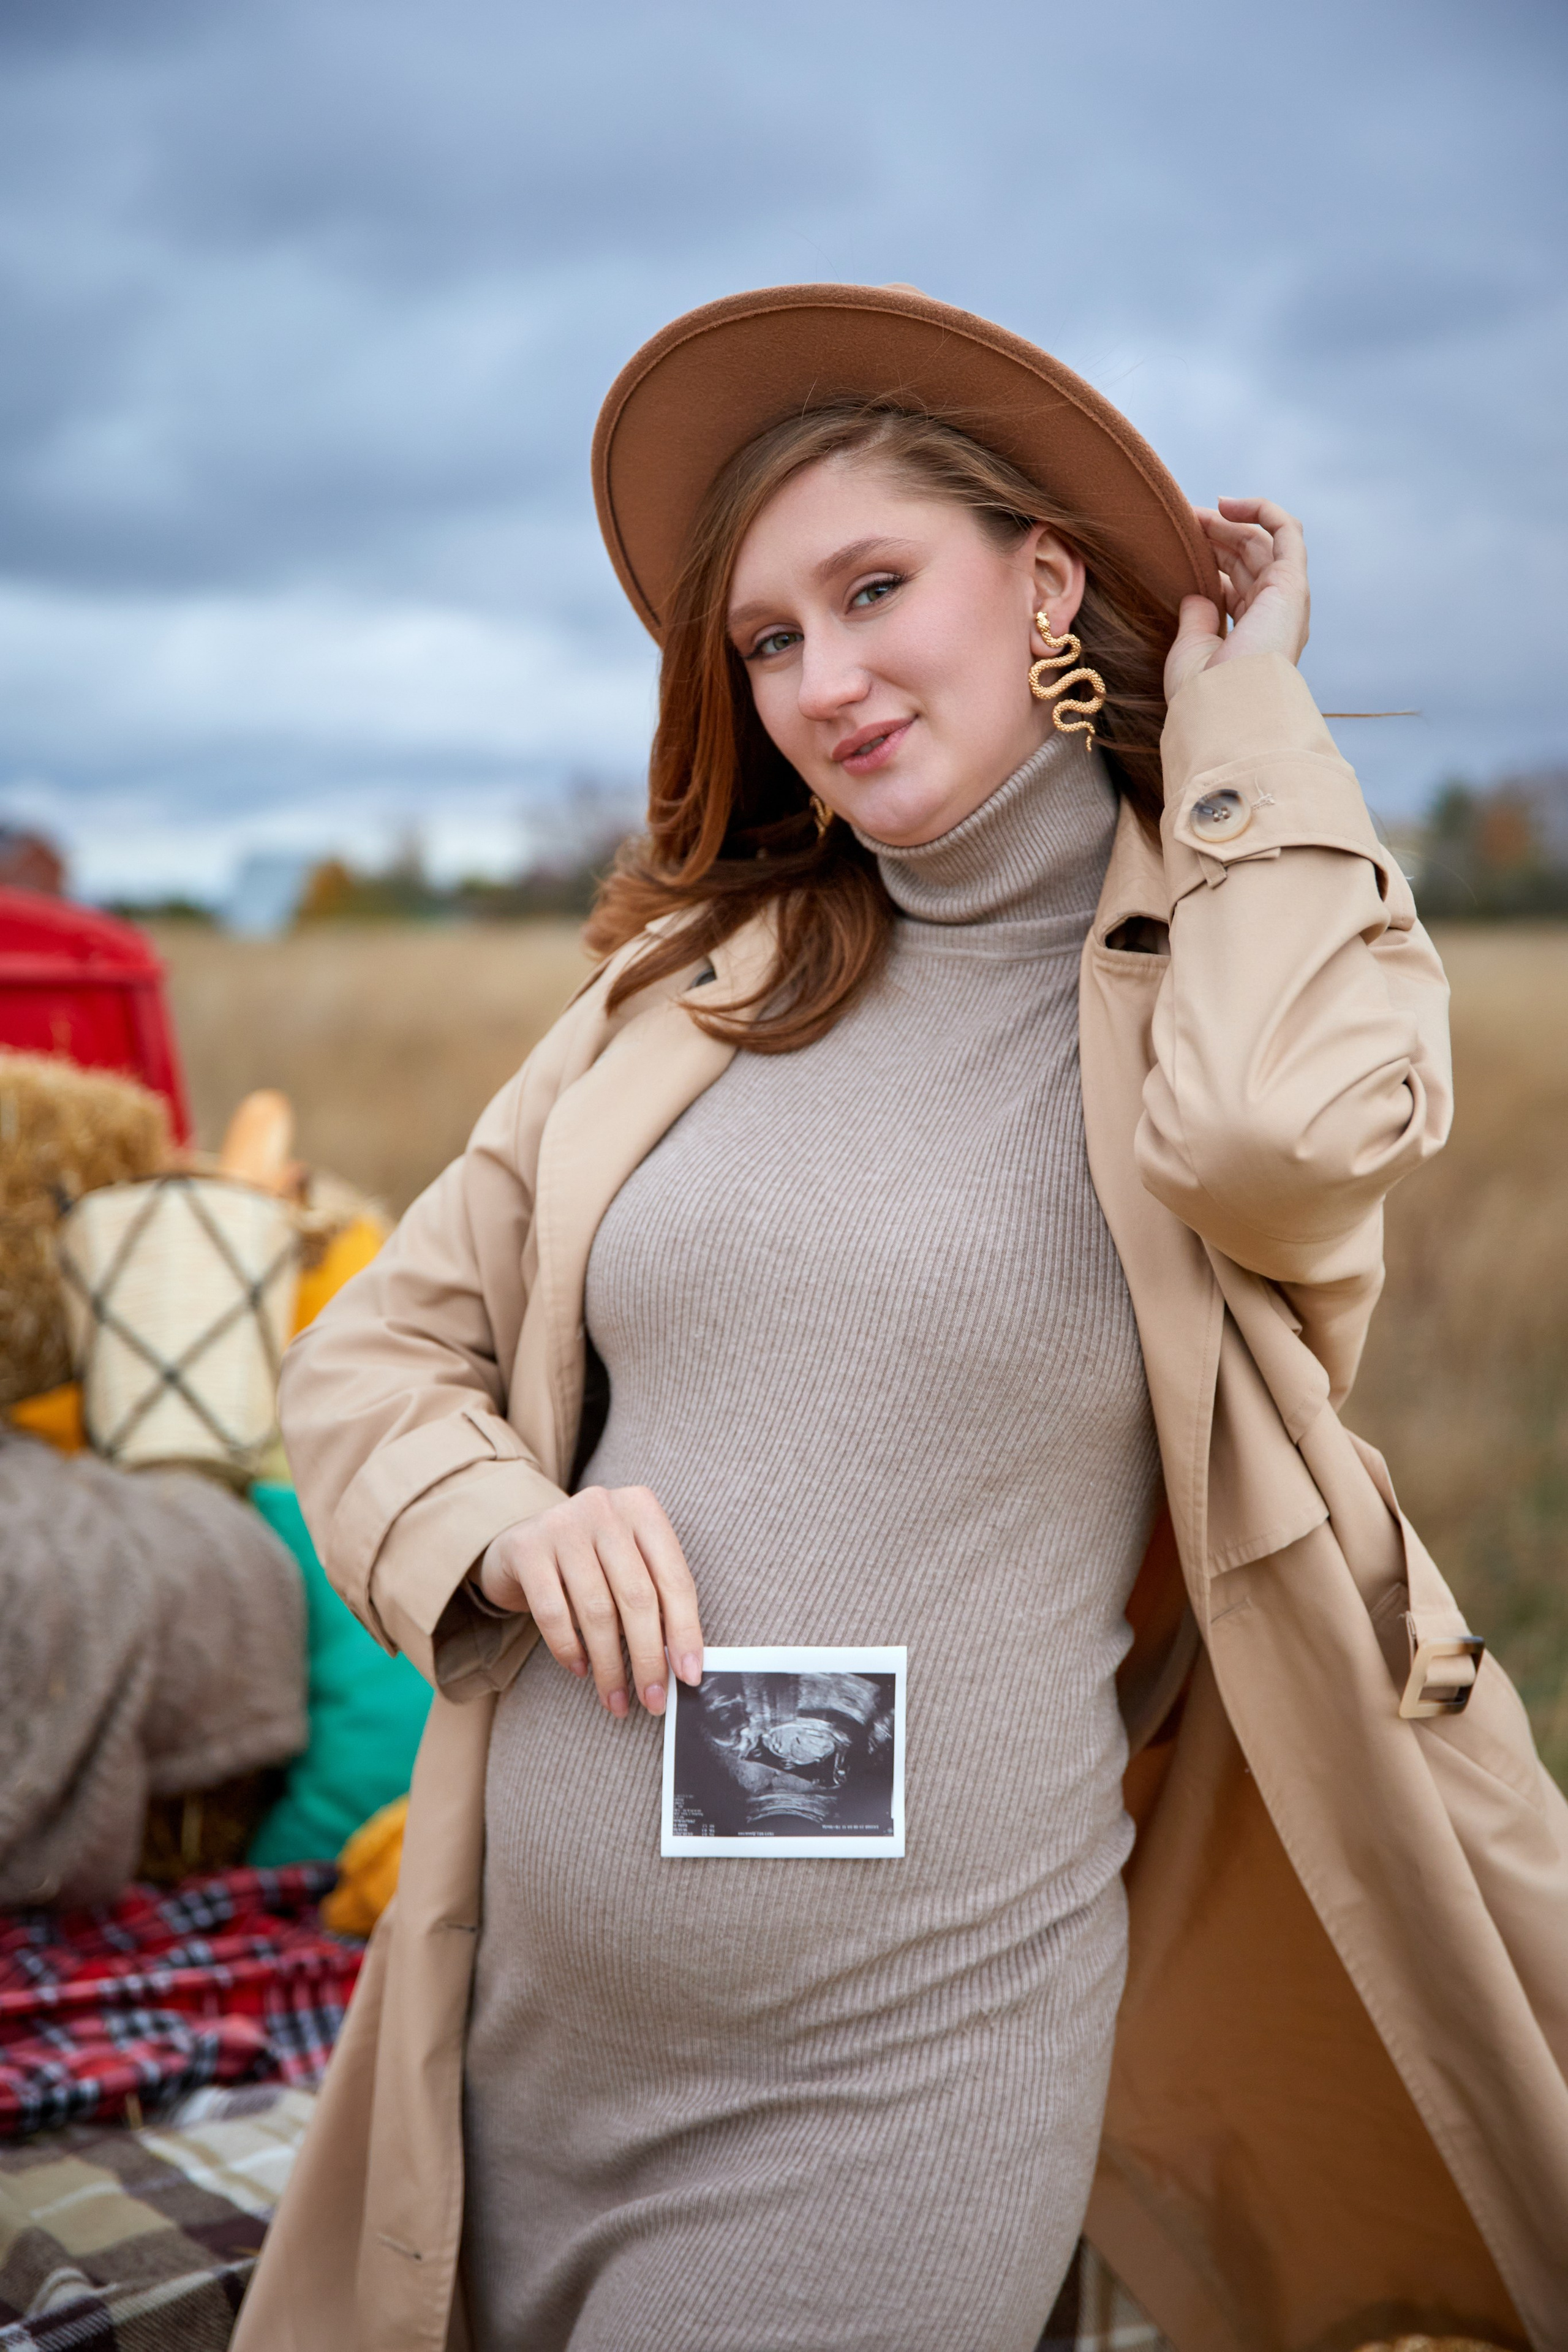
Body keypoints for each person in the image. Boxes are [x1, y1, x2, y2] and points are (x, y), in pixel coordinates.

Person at [234, 285, 1568, 2352]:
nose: (824, 679)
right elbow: (372, 1357)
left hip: (889, 2094)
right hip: (507, 2049)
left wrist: (1241, 723)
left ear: (1040, 580)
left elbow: (1277, 1132)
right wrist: (499, 1521)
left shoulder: (1193, 999)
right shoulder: (685, 993)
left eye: (875, 590)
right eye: (769, 637)